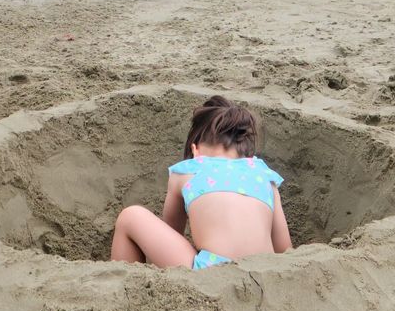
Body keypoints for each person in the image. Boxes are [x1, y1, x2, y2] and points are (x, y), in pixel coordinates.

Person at [109, 96, 292, 270]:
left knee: (130, 217)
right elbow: (285, 250)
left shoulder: (187, 170)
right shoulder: (265, 175)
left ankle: (125, 291)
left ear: (195, 149)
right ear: (247, 154)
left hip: (212, 271)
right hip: (263, 274)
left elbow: (172, 231)